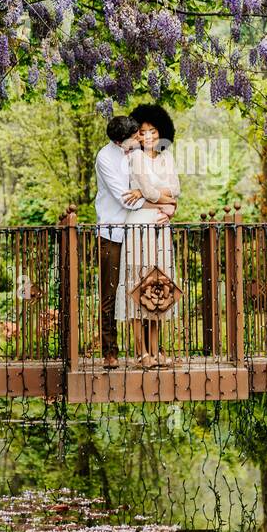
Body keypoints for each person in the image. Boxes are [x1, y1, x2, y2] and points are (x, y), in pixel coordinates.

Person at [93, 114, 176, 367]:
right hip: (113, 230)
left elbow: (158, 183)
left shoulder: (137, 153)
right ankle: (110, 352)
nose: (140, 139)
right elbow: (127, 199)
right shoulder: (106, 158)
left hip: (139, 231)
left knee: (151, 285)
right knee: (111, 293)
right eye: (135, 136)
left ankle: (154, 349)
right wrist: (167, 202)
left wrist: (172, 204)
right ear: (120, 142)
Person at [115, 104, 181, 366]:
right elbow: (155, 192)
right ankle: (141, 351)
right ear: (137, 135)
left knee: (159, 284)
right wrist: (156, 196)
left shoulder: (167, 158)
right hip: (139, 225)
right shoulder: (136, 158)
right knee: (136, 283)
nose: (149, 136)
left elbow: (175, 189)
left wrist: (157, 198)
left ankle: (155, 350)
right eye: (143, 132)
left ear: (161, 132)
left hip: (161, 225)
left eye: (153, 131)